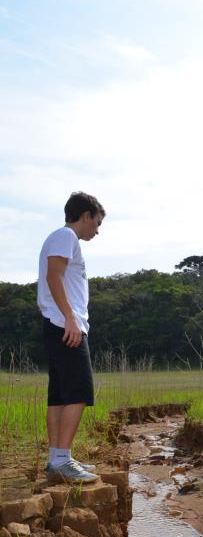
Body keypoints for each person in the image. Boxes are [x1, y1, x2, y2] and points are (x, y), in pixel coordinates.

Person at [37, 191, 106, 483]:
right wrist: (70, 318)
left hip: (58, 323)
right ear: (86, 216)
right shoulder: (66, 237)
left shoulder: (62, 238)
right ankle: (63, 459)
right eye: (97, 223)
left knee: (60, 396)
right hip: (65, 324)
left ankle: (57, 458)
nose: (97, 230)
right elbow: (54, 276)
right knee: (79, 391)